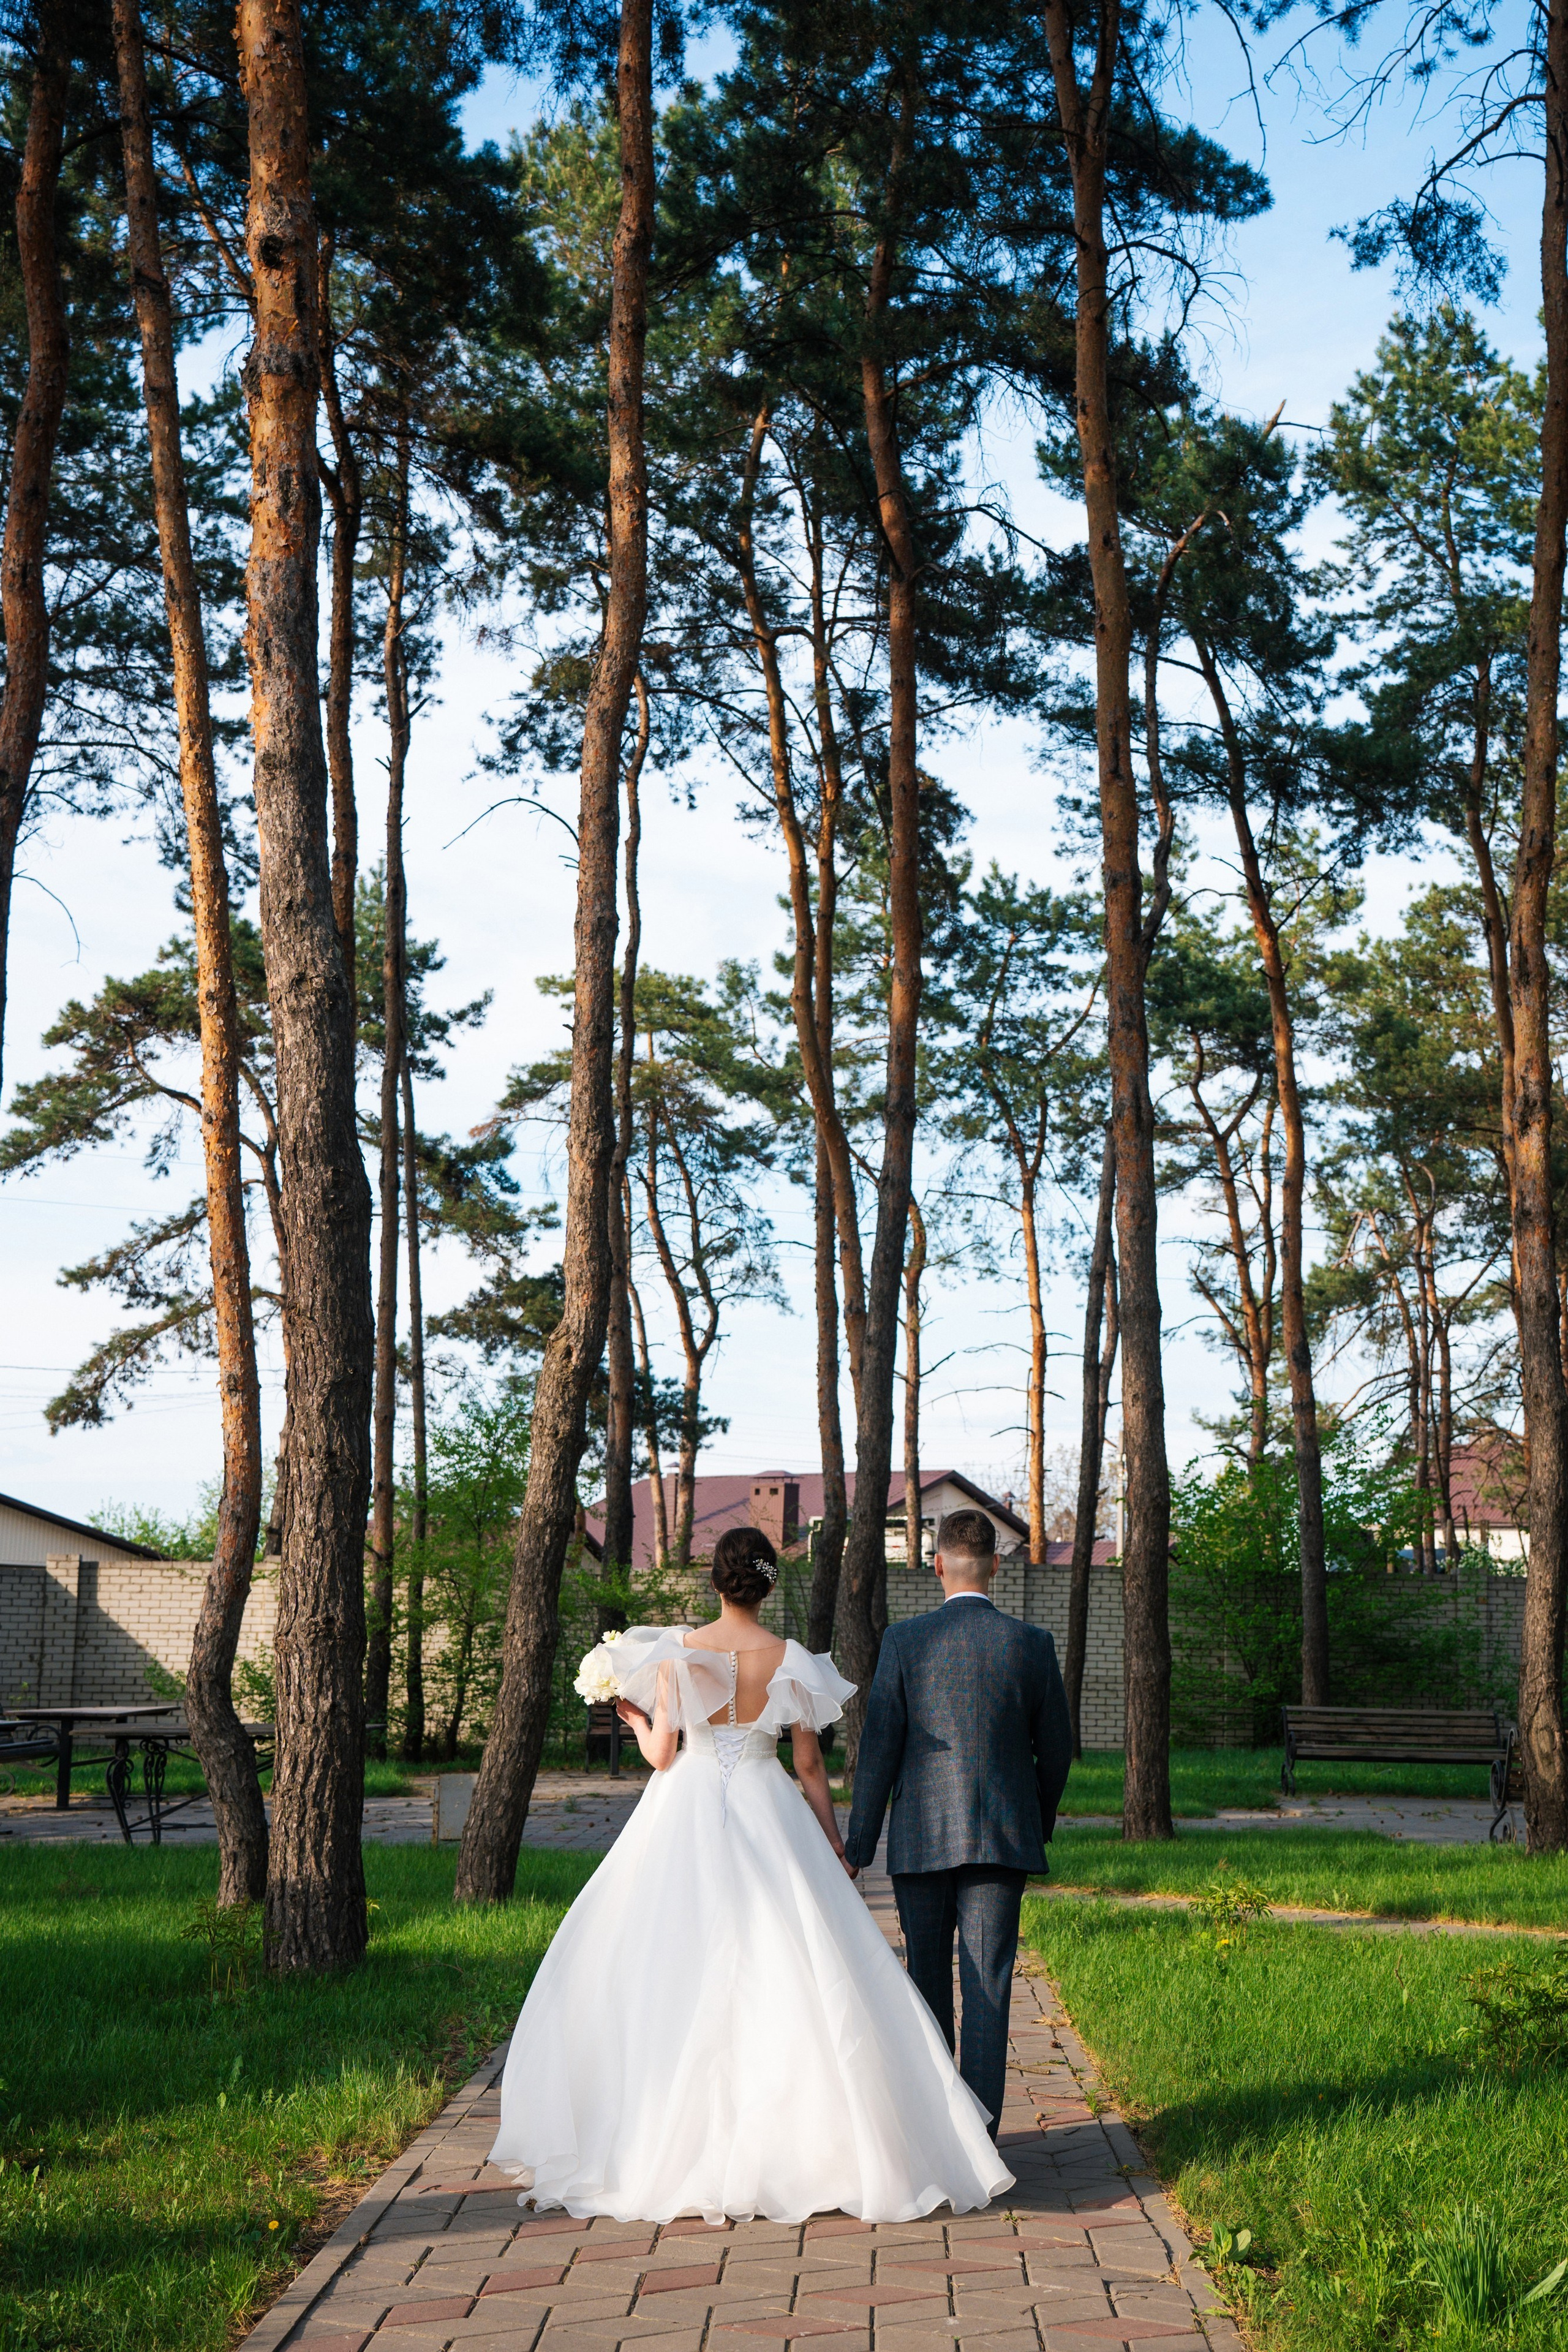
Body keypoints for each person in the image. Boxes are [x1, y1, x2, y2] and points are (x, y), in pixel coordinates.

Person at [488, 1522, 1011, 2225]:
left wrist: (631, 1718)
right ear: (769, 1585)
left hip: (688, 1807)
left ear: (715, 1581)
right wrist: (835, 1845)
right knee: (795, 1962)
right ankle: (817, 2145)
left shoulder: (680, 1653)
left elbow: (663, 1756)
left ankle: (662, 2138)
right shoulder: (790, 1657)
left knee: (668, 1961)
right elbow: (809, 1766)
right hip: (772, 1809)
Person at [843, 1507, 1072, 2140]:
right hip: (1002, 1838)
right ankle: (982, 2138)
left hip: (920, 1838)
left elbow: (879, 1748)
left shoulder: (904, 1642)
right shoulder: (1030, 1644)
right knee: (989, 1985)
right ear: (996, 1566)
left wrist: (858, 1844)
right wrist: (1037, 1820)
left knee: (925, 1985)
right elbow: (1055, 1751)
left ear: (937, 1564)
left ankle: (939, 2136)